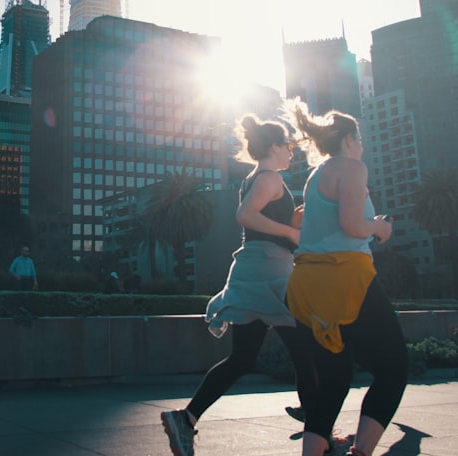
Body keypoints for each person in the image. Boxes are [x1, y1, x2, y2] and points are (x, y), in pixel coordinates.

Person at [161, 113, 320, 456]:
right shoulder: (270, 179)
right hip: (270, 272)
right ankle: (317, 430)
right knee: (306, 348)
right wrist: (292, 232)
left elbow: (260, 221)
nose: (292, 151)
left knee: (244, 358)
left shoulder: (255, 178)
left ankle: (185, 419)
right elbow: (246, 216)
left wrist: (293, 220)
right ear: (275, 147)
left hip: (253, 268)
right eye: (289, 145)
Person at [286, 104, 408, 456]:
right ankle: (362, 452)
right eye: (361, 138)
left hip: (305, 286)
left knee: (334, 380)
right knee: (394, 368)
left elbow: (306, 223)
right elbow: (353, 226)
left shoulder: (316, 175)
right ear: (351, 139)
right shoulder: (352, 168)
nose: (363, 145)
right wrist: (380, 228)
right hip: (344, 280)